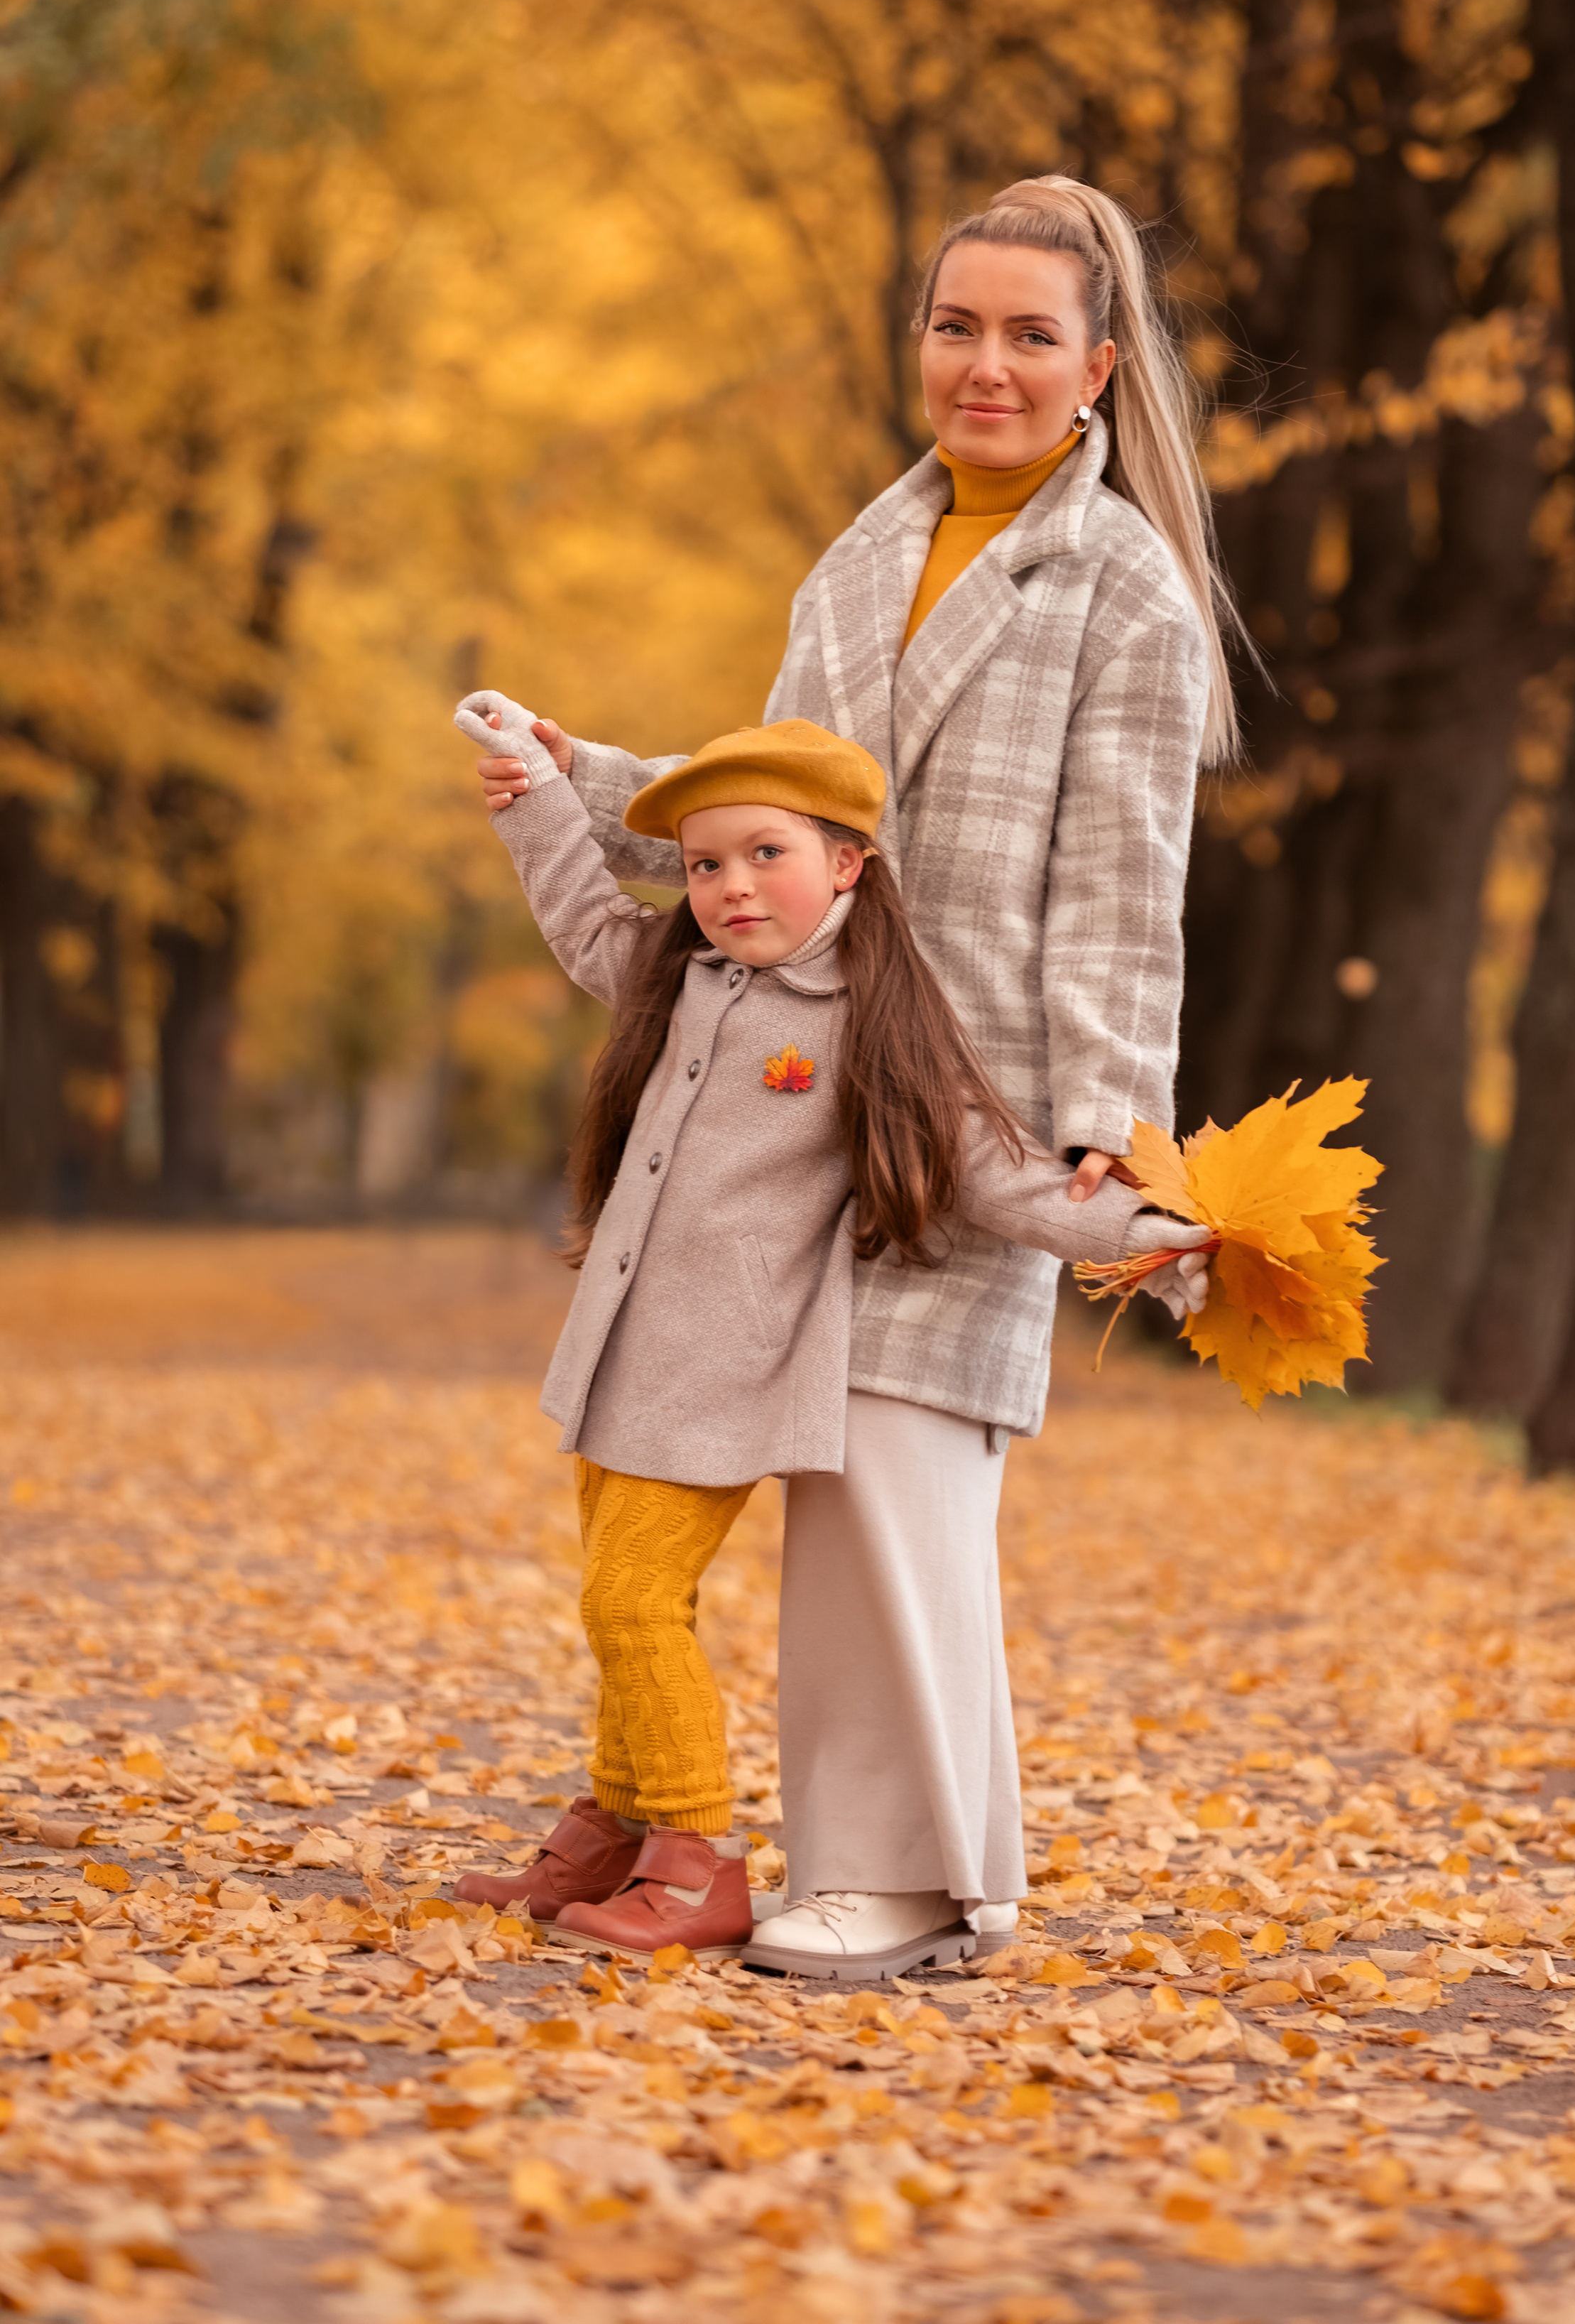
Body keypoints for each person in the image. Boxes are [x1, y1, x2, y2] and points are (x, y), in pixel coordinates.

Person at [475, 173, 1238, 1975]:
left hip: (958, 1092)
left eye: (1029, 335)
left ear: (1099, 368)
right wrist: (593, 780)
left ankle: (907, 1871)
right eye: (955, 325)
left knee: (899, 1479)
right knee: (814, 1484)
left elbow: (1124, 894)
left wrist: (1105, 1147)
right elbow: (772, 818)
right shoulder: (861, 555)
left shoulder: (1121, 590)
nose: (985, 364)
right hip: (799, 1064)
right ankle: (744, 1832)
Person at [450, 705, 1206, 1974]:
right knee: (627, 1592)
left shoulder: (866, 1020)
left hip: (726, 1366)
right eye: (703, 865)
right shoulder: (677, 978)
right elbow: (587, 920)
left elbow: (989, 1168)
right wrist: (535, 797)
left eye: (765, 856)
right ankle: (616, 1828)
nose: (731, 888)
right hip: (622, 1347)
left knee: (630, 1602)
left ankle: (691, 1858)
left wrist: (1151, 1228)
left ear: (847, 864)